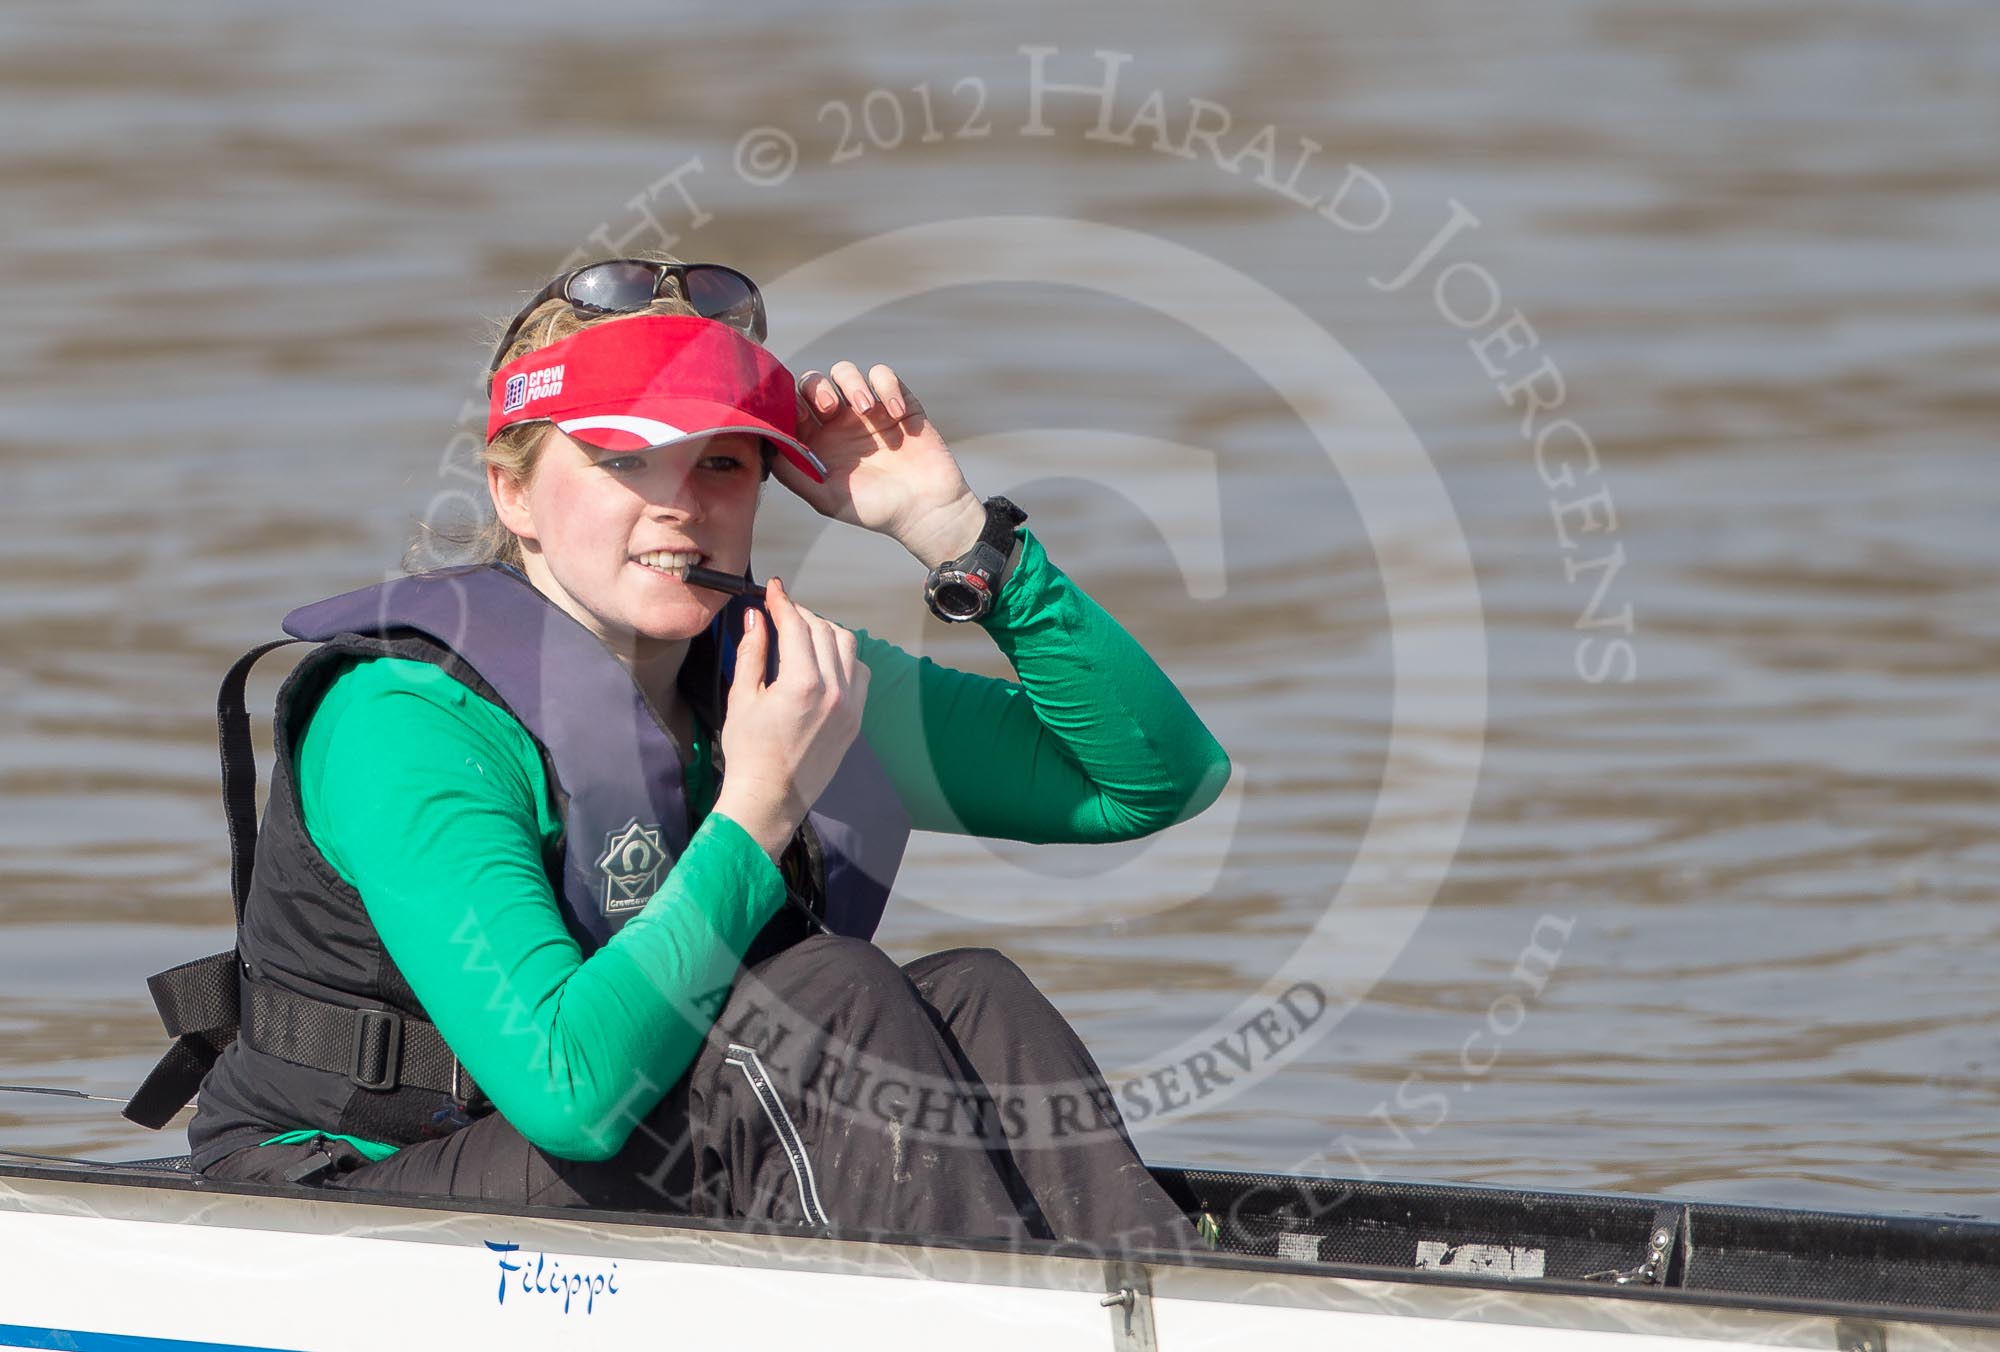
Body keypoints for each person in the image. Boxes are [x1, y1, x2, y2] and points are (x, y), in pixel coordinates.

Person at [131, 255, 1230, 1250]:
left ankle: (1149, 1295)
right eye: (622, 460)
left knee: (979, 998)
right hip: (337, 1200)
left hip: (595, 1168)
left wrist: (958, 537)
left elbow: (1151, 780)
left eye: (724, 465)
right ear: (512, 490)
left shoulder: (790, 673)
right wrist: (759, 802)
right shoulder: (405, 721)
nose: (680, 507)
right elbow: (568, 1088)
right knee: (832, 1000)